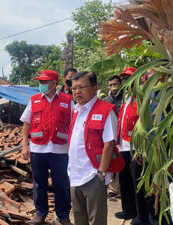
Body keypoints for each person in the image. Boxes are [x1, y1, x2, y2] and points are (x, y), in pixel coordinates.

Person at [67, 71, 124, 225]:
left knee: (96, 219)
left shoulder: (105, 110)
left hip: (93, 175)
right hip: (75, 174)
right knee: (80, 218)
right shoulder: (76, 110)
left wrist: (101, 173)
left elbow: (109, 144)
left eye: (82, 87)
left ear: (95, 88)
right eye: (74, 88)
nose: (77, 92)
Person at [21, 70, 73, 225]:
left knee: (62, 184)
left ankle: (63, 215)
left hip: (60, 150)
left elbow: (74, 124)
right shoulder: (34, 100)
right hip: (38, 149)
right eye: (40, 82)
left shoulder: (68, 100)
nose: (41, 85)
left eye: (45, 82)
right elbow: (26, 123)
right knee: (39, 183)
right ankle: (40, 213)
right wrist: (25, 146)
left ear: (54, 83)